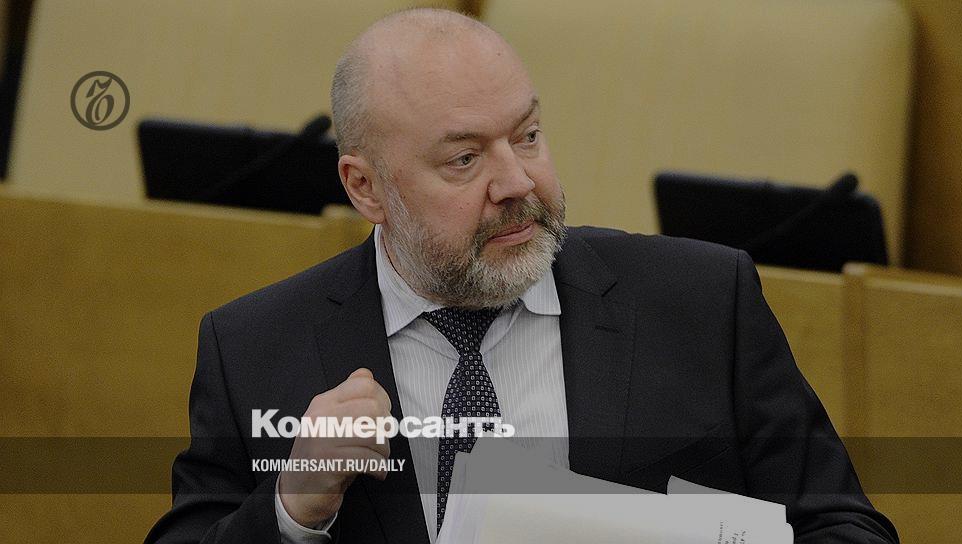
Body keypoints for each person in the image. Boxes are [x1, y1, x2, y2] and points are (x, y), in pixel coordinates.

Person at [146, 8, 898, 544]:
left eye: (528, 135)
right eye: (464, 159)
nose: (517, 182)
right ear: (365, 187)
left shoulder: (702, 302)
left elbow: (845, 526)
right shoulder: (254, 348)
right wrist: (291, 508)